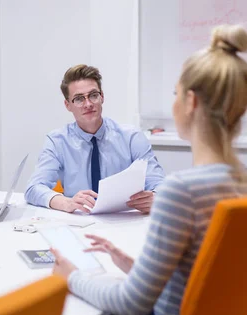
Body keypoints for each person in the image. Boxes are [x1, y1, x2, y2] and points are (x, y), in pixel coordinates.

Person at [50, 25, 247, 315]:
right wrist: (136, 266)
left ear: (191, 102)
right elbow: (204, 277)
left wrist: (71, 276)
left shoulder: (181, 192)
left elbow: (131, 304)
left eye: (175, 94)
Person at [25, 64, 165, 214]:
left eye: (93, 95)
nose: (88, 104)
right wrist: (66, 202)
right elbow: (33, 188)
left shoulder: (131, 137)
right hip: (79, 222)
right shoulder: (57, 141)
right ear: (68, 105)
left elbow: (159, 183)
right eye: (79, 99)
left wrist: (157, 198)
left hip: (124, 220)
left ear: (102, 97)